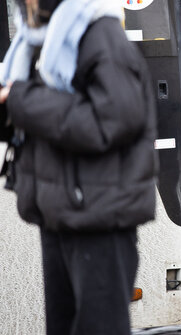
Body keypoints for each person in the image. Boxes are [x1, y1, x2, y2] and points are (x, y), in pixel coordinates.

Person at [0, 1, 157, 334]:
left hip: (98, 218)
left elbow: (114, 121)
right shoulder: (36, 41)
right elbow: (39, 118)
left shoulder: (99, 33)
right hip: (60, 214)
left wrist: (21, 100)